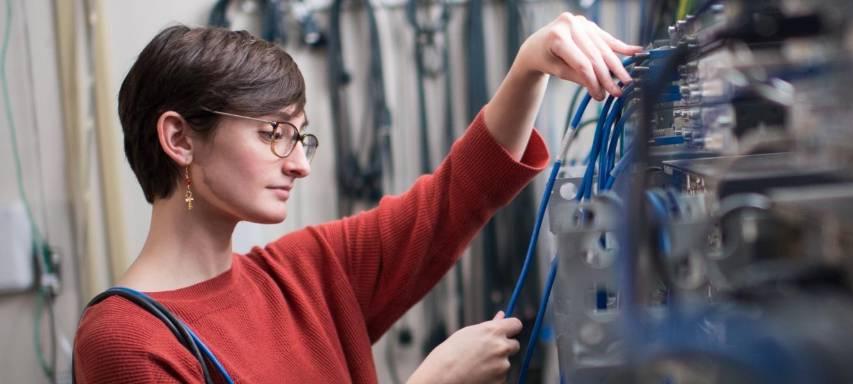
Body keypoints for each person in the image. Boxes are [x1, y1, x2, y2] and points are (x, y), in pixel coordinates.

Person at [73, 12, 640, 383]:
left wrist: (531, 64)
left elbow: (453, 200)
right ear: (178, 138)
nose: (298, 163)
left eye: (301, 136)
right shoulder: (128, 342)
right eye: (274, 134)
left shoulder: (304, 275)